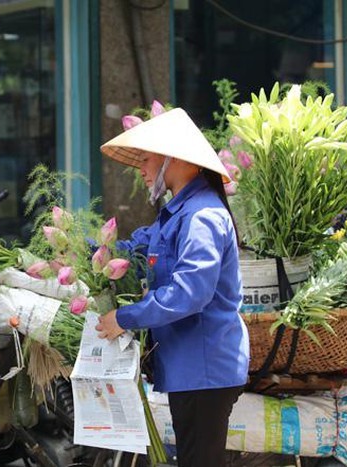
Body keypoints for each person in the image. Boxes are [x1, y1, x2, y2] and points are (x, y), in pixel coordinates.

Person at [95, 108, 249, 467]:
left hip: (204, 368)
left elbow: (188, 293)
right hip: (190, 368)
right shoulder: (178, 214)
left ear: (177, 159)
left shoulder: (202, 216)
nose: (142, 170)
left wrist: (125, 317)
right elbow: (132, 250)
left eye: (147, 159)